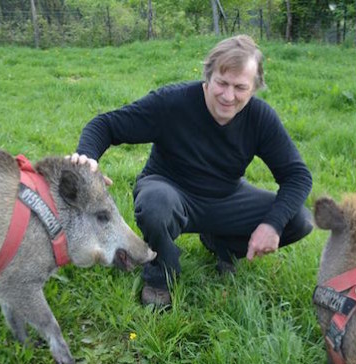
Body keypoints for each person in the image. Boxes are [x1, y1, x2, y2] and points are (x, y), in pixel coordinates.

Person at [71, 35, 313, 307]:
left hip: (226, 196)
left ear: (254, 88)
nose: (228, 96)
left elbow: (297, 175)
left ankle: (222, 244)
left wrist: (272, 224)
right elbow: (106, 125)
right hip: (169, 188)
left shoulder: (260, 117)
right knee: (156, 205)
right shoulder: (172, 103)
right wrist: (87, 160)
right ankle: (161, 271)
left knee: (298, 220)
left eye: (240, 87)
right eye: (221, 83)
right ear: (207, 77)